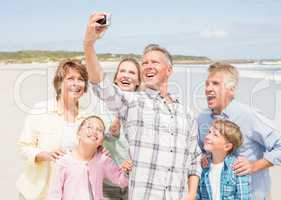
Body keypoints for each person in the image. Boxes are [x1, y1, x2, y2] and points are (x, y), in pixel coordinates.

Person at [84, 12, 200, 200]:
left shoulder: (186, 114)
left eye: (154, 62)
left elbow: (194, 159)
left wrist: (192, 193)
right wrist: (89, 44)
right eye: (144, 63)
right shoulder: (133, 103)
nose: (148, 66)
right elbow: (100, 85)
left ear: (169, 70)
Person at [197, 62, 281, 200]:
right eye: (207, 84)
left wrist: (254, 166)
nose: (208, 89)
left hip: (254, 195)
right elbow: (200, 151)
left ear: (231, 90)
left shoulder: (249, 115)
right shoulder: (202, 118)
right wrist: (202, 157)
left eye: (216, 83)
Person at [17, 59, 89, 200]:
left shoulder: (87, 119)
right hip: (37, 193)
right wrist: (44, 154)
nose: (76, 83)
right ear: (59, 83)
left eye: (81, 79)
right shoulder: (40, 110)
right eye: (70, 78)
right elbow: (23, 147)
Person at [48, 115, 130, 200]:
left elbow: (122, 181)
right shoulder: (63, 162)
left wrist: (127, 171)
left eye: (100, 130)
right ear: (79, 133)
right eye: (89, 127)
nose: (94, 131)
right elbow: (54, 194)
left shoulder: (103, 160)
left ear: (101, 141)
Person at [101, 57, 141, 200]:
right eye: (122, 71)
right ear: (116, 78)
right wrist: (110, 133)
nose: (126, 75)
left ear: (138, 82)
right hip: (107, 184)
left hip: (136, 184)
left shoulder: (144, 108)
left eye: (132, 73)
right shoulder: (102, 105)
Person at [197, 119, 250, 200]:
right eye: (209, 132)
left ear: (227, 146)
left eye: (215, 135)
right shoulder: (203, 165)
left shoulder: (237, 167)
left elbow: (243, 197)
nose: (207, 136)